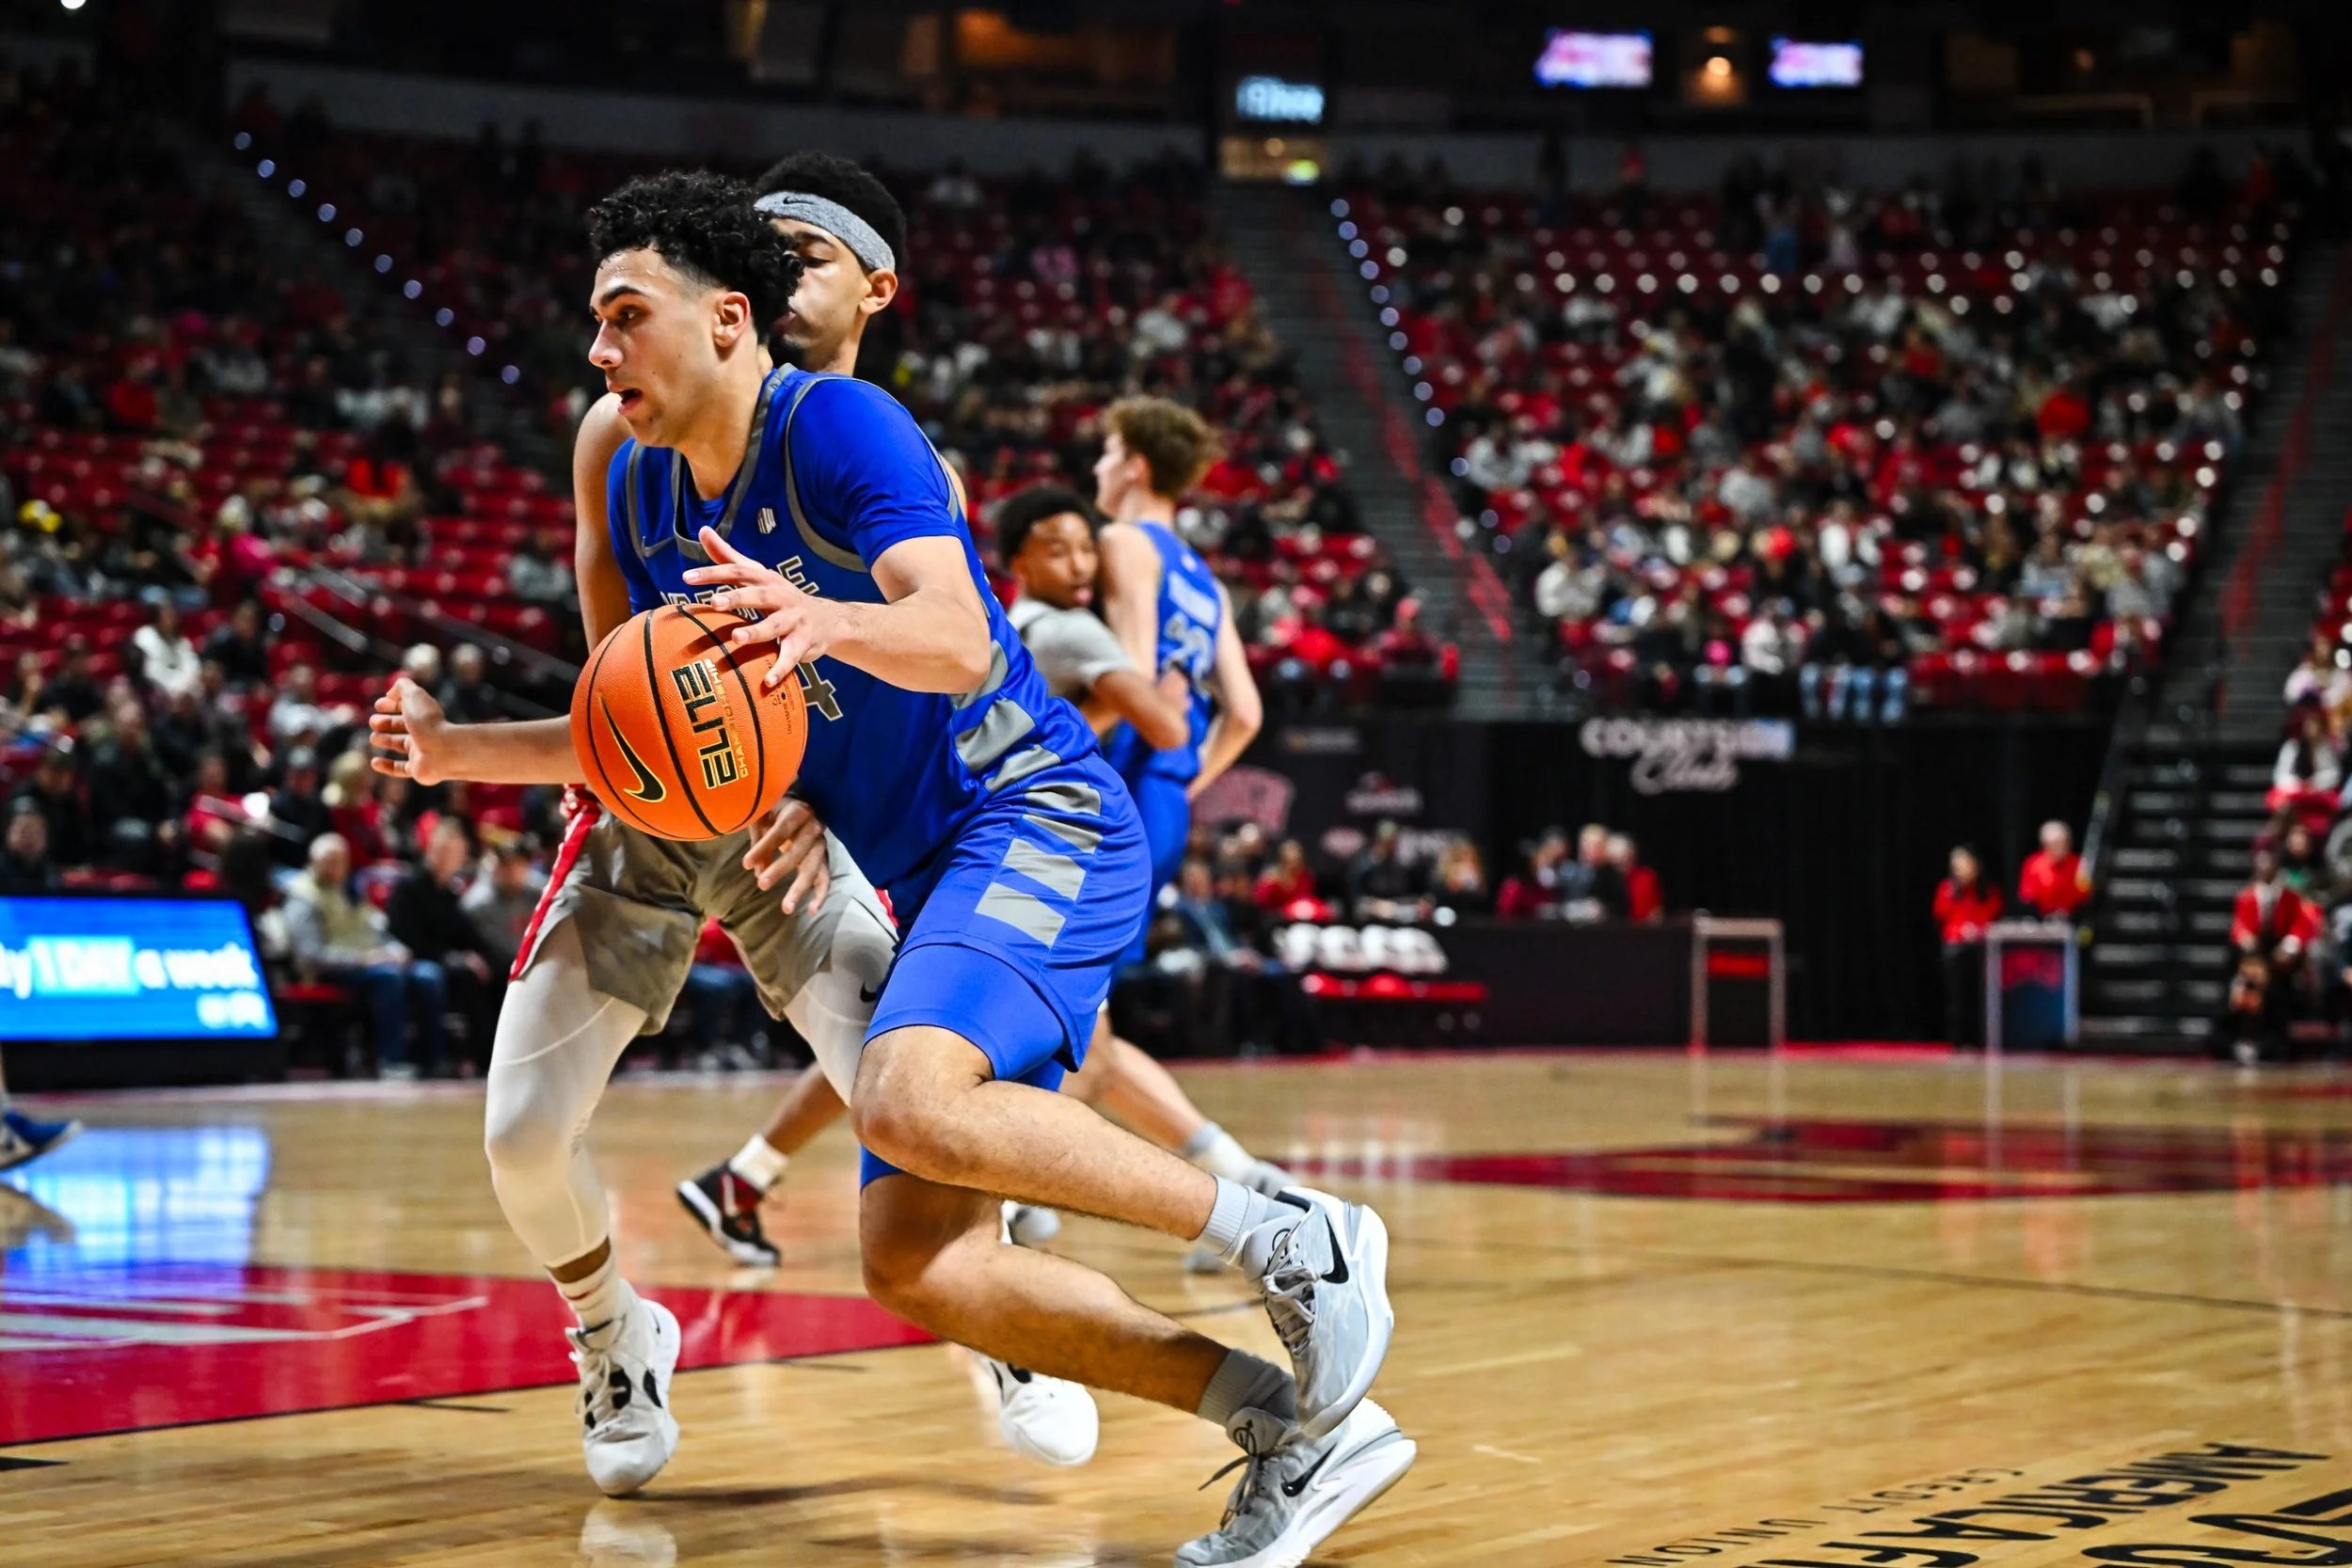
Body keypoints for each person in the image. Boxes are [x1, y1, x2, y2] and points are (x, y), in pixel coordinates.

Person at [372, 170, 1407, 1563]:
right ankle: (1292, 1430)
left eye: (626, 316)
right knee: (920, 1261)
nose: (601, 350)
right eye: (597, 322)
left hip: (1032, 810)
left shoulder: (843, 425)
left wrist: (819, 621)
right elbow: (635, 720)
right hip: (921, 862)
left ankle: (1290, 1232)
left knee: (912, 1097)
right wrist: (451, 750)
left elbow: (960, 638)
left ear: (730, 318)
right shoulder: (638, 478)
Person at [369, 157, 1103, 1497]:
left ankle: (1002, 1295)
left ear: (864, 290)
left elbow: (932, 670)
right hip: (668, 800)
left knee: (916, 1091)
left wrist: (816, 795)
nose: (778, 276)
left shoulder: (874, 447)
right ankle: (614, 1332)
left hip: (799, 816)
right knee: (520, 1132)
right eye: (762, 251)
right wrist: (500, 751)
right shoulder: (623, 442)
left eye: (804, 256)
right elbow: (622, 674)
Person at [676, 479, 1296, 1263]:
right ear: (1016, 556)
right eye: (1059, 547)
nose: (1080, 562)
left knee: (930, 1038)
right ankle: (1237, 1198)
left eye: (1086, 546)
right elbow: (1183, 721)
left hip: (1007, 838)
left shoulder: (1000, 617)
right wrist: (1109, 726)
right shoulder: (1050, 627)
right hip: (1026, 836)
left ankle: (761, 1170)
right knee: (937, 1039)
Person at [283, 832, 449, 1079]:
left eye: (341, 860)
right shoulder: (303, 896)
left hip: (370, 961)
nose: (336, 867)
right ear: (312, 861)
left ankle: (433, 1060)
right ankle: (390, 1060)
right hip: (330, 971)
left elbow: (376, 929)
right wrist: (365, 958)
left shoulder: (350, 891)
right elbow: (312, 955)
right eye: (330, 861)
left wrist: (395, 948)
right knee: (389, 977)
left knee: (428, 975)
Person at [384, 816, 502, 1073]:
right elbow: (406, 936)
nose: (450, 857)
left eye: (456, 852)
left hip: (447, 960)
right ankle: (434, 1059)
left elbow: (467, 936)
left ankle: (489, 1058)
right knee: (434, 978)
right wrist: (453, 957)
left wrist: (486, 958)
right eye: (445, 850)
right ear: (431, 849)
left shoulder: (451, 893)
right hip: (413, 960)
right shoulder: (408, 887)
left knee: (497, 971)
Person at [1933, 846, 2003, 1049]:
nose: (1961, 871)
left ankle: (1980, 1039)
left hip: (1981, 947)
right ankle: (1957, 1040)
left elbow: (1993, 915)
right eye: (1957, 867)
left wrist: (1978, 930)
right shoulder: (1947, 889)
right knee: (1957, 997)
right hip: (1956, 948)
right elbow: (1941, 916)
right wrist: (1961, 931)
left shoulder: (1988, 891)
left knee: (1980, 996)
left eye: (1965, 865)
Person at [2017, 820, 2090, 923]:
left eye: (2064, 843)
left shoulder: (2080, 864)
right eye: (2055, 844)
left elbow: (2085, 897)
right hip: (2042, 921)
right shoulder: (2033, 864)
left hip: (2073, 920)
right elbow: (2027, 898)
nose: (2060, 848)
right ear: (2045, 845)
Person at [0, 798, 59, 892]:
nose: (30, 838)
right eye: (24, 831)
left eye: (36, 832)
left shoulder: (51, 874)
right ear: (7, 833)